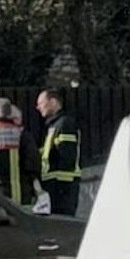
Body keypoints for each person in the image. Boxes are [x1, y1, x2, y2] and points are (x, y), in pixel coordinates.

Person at [35, 88, 81, 216]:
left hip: (63, 187)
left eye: (41, 103)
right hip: (55, 185)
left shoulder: (64, 124)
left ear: (53, 102)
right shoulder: (54, 125)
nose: (38, 107)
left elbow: (67, 155)